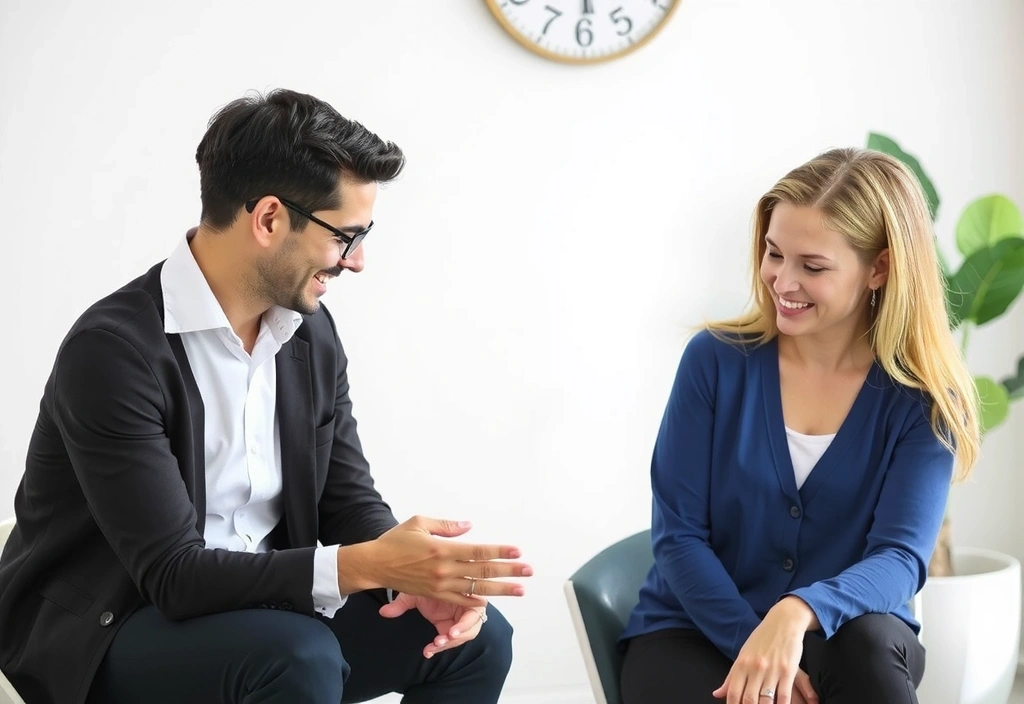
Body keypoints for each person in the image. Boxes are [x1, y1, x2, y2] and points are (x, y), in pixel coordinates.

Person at [0, 88, 532, 704]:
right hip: (111, 627)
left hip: (267, 609)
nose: (356, 262)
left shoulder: (309, 332)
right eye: (346, 236)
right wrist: (374, 565)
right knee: (296, 657)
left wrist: (408, 577)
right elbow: (174, 576)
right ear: (269, 219)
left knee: (478, 639)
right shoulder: (113, 352)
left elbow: (346, 498)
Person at [619, 147, 981, 704]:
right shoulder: (713, 362)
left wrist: (798, 610)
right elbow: (679, 537)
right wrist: (756, 645)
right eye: (773, 253)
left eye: (812, 266)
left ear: (879, 268)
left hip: (842, 632)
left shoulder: (923, 401)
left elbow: (900, 559)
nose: (781, 281)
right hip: (690, 633)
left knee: (869, 656)